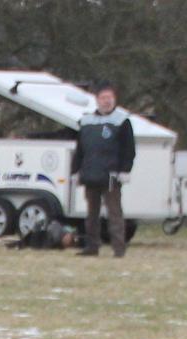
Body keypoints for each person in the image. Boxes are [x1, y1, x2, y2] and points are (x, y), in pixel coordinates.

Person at [71, 80, 135, 257]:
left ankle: (119, 249)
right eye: (103, 98)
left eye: (110, 97)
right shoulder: (86, 121)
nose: (107, 101)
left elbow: (129, 149)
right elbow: (80, 149)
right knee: (92, 214)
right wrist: (75, 171)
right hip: (90, 174)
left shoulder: (122, 121)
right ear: (97, 100)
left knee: (114, 214)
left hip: (111, 176)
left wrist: (125, 170)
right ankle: (92, 247)